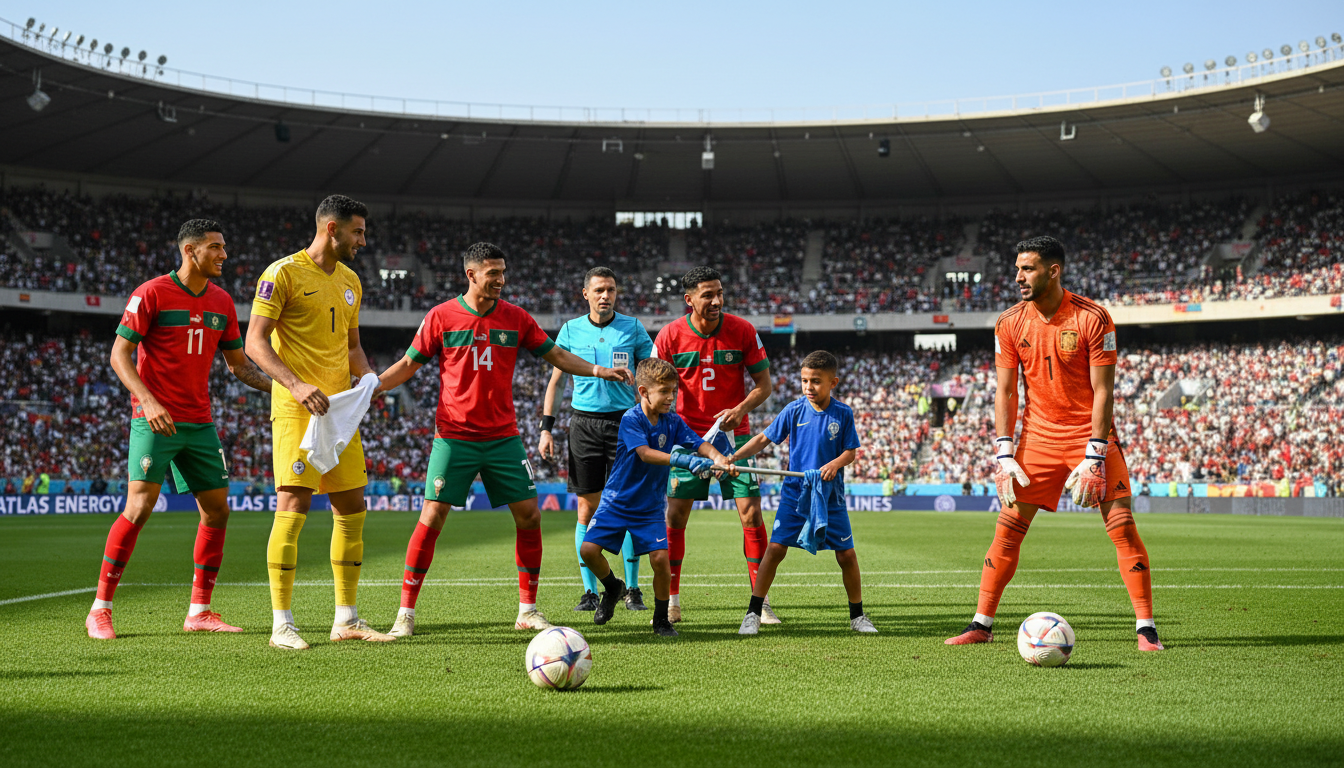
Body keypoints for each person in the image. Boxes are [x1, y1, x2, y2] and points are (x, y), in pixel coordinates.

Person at [379, 243, 634, 637]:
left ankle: (528, 610)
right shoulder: (441, 316)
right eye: (492, 273)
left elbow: (556, 356)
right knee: (432, 518)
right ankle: (405, 614)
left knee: (530, 516)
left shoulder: (515, 318)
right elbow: (409, 364)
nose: (500, 279)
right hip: (454, 437)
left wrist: (598, 370)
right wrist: (373, 389)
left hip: (503, 438)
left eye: (502, 272)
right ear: (471, 274)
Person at [946, 236, 1162, 652]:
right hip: (1038, 440)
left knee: (1122, 528)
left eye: (1027, 269)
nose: (1018, 277)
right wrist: (1004, 452)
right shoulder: (1009, 322)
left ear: (1053, 270)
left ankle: (1146, 629)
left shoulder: (1093, 318)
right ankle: (981, 624)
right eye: (1017, 269)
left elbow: (1104, 392)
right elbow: (1005, 392)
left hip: (1091, 439)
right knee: (1006, 533)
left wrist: (1095, 454)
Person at [85, 218, 272, 641]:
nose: (224, 255)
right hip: (154, 420)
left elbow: (238, 364)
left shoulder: (222, 302)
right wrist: (147, 401)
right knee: (138, 508)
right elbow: (119, 355)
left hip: (199, 422)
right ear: (190, 251)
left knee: (218, 510)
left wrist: (282, 386)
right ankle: (100, 609)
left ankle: (200, 610)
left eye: (224, 247)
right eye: (216, 248)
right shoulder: (150, 293)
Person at [247, 195, 389, 651]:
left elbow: (352, 348)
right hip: (297, 409)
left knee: (351, 509)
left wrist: (367, 377)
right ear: (332, 228)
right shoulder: (282, 273)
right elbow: (254, 342)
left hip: (340, 412)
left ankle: (346, 618)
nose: (362, 241)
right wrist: (295, 384)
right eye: (357, 232)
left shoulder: (350, 280)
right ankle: (281, 625)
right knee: (293, 509)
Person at [578, 358, 734, 637]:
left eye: (673, 391)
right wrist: (683, 461)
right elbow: (645, 454)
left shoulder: (672, 421)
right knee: (588, 550)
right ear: (643, 391)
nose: (670, 397)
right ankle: (613, 587)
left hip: (649, 507)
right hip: (617, 501)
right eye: (664, 391)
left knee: (661, 560)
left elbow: (699, 443)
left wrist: (719, 458)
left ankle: (661, 619)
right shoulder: (631, 418)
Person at [654, 266, 774, 624]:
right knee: (676, 517)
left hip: (735, 438)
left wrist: (740, 409)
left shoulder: (742, 330)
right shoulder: (670, 336)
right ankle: (672, 600)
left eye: (719, 293)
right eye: (708, 295)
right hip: (688, 439)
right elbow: (655, 390)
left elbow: (764, 386)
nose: (717, 301)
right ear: (689, 300)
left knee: (751, 514)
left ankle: (761, 603)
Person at [728, 351, 876, 635]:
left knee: (846, 555)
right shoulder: (794, 410)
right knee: (775, 550)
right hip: (795, 494)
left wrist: (834, 464)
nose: (809, 387)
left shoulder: (843, 413)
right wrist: (735, 458)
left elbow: (850, 452)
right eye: (805, 380)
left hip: (830, 496)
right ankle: (753, 612)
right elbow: (762, 439)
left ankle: (857, 616)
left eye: (816, 381)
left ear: (833, 382)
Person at [539, 266, 655, 613]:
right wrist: (547, 427)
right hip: (584, 424)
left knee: (629, 505)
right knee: (586, 508)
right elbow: (557, 382)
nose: (606, 296)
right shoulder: (571, 330)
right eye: (600, 290)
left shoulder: (632, 327)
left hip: (625, 424)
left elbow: (652, 369)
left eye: (612, 290)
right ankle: (591, 591)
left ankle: (633, 588)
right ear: (586, 293)